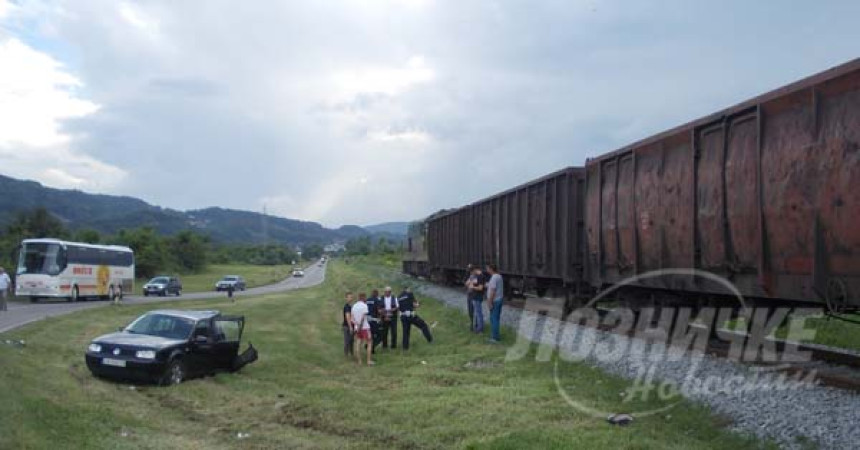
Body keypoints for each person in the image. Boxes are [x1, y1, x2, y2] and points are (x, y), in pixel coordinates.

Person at [398, 286, 433, 350]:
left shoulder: (399, 297)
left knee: (406, 332)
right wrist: (418, 304)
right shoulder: (410, 294)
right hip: (411, 316)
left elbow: (399, 307)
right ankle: (430, 341)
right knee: (423, 325)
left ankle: (405, 348)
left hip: (403, 317)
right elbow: (414, 304)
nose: (410, 290)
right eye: (410, 289)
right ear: (407, 289)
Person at [351, 293, 374, 365]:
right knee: (369, 342)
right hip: (365, 327)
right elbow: (364, 316)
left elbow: (352, 318)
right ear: (363, 298)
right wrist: (360, 324)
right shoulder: (364, 305)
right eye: (365, 298)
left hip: (357, 328)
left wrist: (357, 324)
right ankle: (368, 360)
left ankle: (359, 361)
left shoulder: (354, 306)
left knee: (358, 343)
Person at [485, 264, 504, 343]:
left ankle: (494, 338)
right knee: (496, 318)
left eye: (487, 268)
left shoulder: (493, 278)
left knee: (493, 319)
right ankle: (496, 335)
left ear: (491, 269)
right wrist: (487, 285)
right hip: (499, 299)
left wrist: (489, 302)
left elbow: (493, 290)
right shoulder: (499, 276)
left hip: (494, 301)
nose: (487, 270)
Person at [467, 266, 485, 333]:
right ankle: (477, 327)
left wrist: (472, 286)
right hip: (475, 296)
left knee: (478, 313)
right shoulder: (476, 276)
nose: (471, 273)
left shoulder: (480, 276)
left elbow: (480, 288)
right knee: (477, 313)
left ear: (474, 270)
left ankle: (480, 329)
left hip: (477, 297)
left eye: (471, 271)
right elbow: (467, 283)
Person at [342, 292, 354, 357]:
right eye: (349, 297)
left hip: (351, 326)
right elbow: (347, 317)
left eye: (351, 297)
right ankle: (346, 354)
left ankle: (351, 353)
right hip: (347, 326)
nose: (351, 298)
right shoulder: (347, 307)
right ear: (346, 298)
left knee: (351, 340)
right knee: (347, 341)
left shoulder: (351, 306)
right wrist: (350, 327)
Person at [463, 264, 475, 329]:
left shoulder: (474, 276)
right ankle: (472, 323)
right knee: (471, 310)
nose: (468, 271)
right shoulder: (471, 276)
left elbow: (466, 283)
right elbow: (466, 283)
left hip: (472, 294)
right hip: (470, 294)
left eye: (469, 270)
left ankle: (473, 325)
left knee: (472, 310)